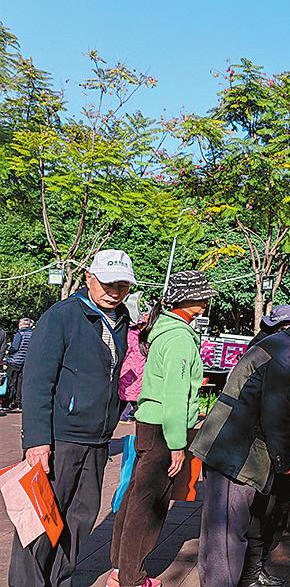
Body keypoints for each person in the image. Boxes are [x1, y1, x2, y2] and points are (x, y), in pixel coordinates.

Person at [190, 305, 290, 587]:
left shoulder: (282, 348)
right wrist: (285, 460)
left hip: (232, 447)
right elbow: (276, 415)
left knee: (220, 535)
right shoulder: (286, 356)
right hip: (235, 451)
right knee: (227, 536)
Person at [11, 250, 136, 587]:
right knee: (41, 523)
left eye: (122, 285)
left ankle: (59, 581)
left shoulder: (121, 320)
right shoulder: (62, 316)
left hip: (97, 440)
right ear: (89, 278)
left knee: (78, 521)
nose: (114, 291)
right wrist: (37, 441)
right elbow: (38, 381)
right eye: (108, 283)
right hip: (60, 438)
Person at [108, 271, 216, 587]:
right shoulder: (179, 338)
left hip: (151, 424)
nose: (206, 301)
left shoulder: (166, 331)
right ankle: (131, 577)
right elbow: (175, 395)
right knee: (148, 506)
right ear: (191, 300)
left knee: (135, 499)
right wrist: (177, 444)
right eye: (203, 296)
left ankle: (120, 570)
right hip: (163, 431)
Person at [117, 312, 148, 422]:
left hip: (140, 378)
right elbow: (123, 355)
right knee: (124, 405)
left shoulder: (146, 338)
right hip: (128, 377)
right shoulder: (131, 336)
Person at [4, 317, 34, 411]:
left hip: (14, 361)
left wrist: (8, 352)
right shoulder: (33, 334)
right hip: (25, 361)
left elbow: (15, 347)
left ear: (21, 324)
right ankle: (18, 402)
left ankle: (8, 402)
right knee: (21, 383)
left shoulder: (19, 334)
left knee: (11, 382)